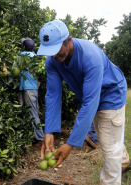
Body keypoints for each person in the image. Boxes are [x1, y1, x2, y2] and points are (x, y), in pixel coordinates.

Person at [37, 20, 130, 184]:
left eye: (57, 50)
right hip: (90, 96)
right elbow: (52, 94)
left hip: (111, 93)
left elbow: (90, 102)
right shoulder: (52, 60)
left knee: (108, 148)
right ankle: (122, 162)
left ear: (69, 40)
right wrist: (49, 131)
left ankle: (112, 175)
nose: (53, 56)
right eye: (49, 51)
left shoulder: (90, 56)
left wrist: (71, 144)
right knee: (106, 138)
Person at [19, 38, 44, 142]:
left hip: (28, 89)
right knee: (34, 112)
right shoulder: (35, 57)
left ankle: (41, 137)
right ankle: (35, 135)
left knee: (33, 114)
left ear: (24, 47)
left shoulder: (22, 56)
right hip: (34, 89)